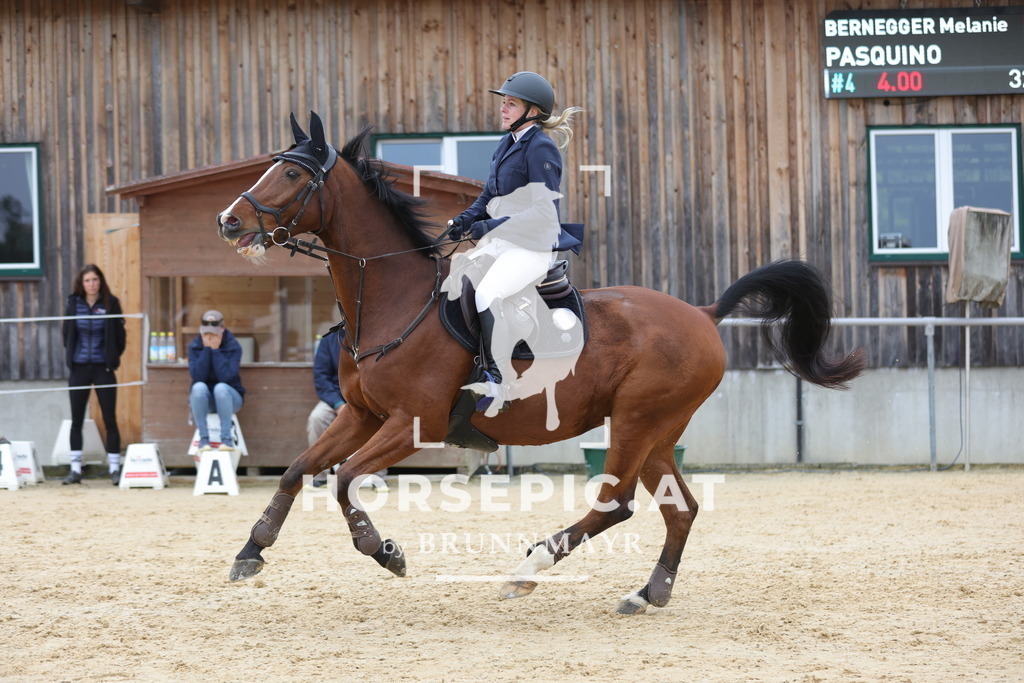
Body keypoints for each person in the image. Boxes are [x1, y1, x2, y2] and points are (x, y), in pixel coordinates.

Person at [446, 71, 584, 412]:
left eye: (511, 104)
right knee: (452, 280)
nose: (503, 109)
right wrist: (465, 218)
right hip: (503, 243)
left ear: (532, 111)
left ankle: (498, 380)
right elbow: (488, 194)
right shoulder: (506, 143)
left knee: (488, 293)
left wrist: (491, 227)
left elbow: (543, 211)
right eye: (503, 103)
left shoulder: (541, 148)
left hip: (532, 247)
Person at [61, 264, 127, 485]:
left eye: (95, 280)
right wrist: (72, 358)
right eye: (87, 280)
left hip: (103, 368)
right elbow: (66, 334)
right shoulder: (73, 303)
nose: (91, 284)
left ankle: (115, 469)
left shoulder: (111, 303)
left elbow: (120, 336)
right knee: (76, 420)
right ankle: (75, 470)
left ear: (100, 281)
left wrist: (112, 358)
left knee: (110, 419)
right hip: (79, 368)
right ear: (82, 283)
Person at [305, 326, 386, 490]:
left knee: (382, 418)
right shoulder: (329, 339)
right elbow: (321, 377)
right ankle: (319, 477)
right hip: (337, 398)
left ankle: (377, 476)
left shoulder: (378, 334)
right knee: (317, 418)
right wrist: (338, 404)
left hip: (370, 398)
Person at [187, 310, 245, 452]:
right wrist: (207, 350)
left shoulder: (234, 346)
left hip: (230, 398)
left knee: (221, 387)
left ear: (222, 329)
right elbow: (198, 376)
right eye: (207, 333)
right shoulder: (194, 346)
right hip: (205, 401)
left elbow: (226, 377)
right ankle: (204, 439)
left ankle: (226, 440)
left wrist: (216, 351)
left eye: (214, 333)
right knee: (198, 387)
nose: (210, 336)